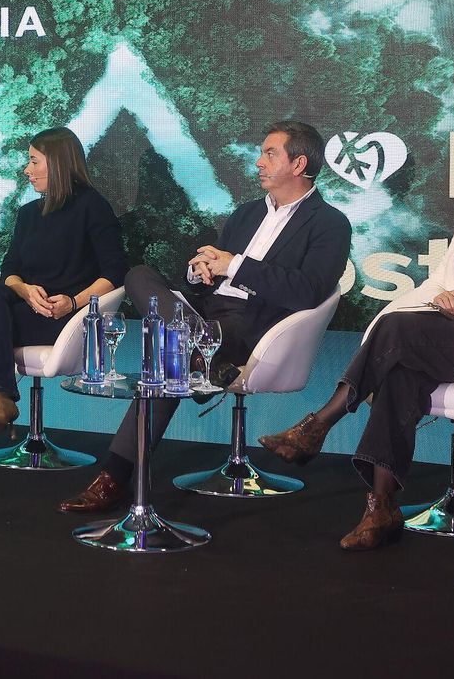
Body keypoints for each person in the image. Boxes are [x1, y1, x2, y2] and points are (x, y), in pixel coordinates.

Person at [258, 132, 454, 550]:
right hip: (437, 334)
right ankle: (380, 506)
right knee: (398, 371)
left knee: (399, 336)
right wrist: (388, 322)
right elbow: (437, 283)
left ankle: (320, 424)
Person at [59, 120, 352, 513]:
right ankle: (197, 349)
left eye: (269, 153)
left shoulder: (330, 223)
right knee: (137, 276)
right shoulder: (246, 214)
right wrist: (201, 272)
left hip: (256, 323)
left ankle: (114, 475)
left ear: (299, 164)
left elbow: (310, 290)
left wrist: (237, 266)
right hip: (207, 316)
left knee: (168, 358)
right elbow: (211, 281)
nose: (259, 162)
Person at [0, 127, 127, 473]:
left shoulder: (92, 207)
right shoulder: (28, 214)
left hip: (65, 318)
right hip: (26, 308)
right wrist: (25, 290)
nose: (27, 169)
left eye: (33, 161)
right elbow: (10, 270)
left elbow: (115, 272)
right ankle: (0, 398)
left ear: (58, 164)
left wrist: (72, 302)